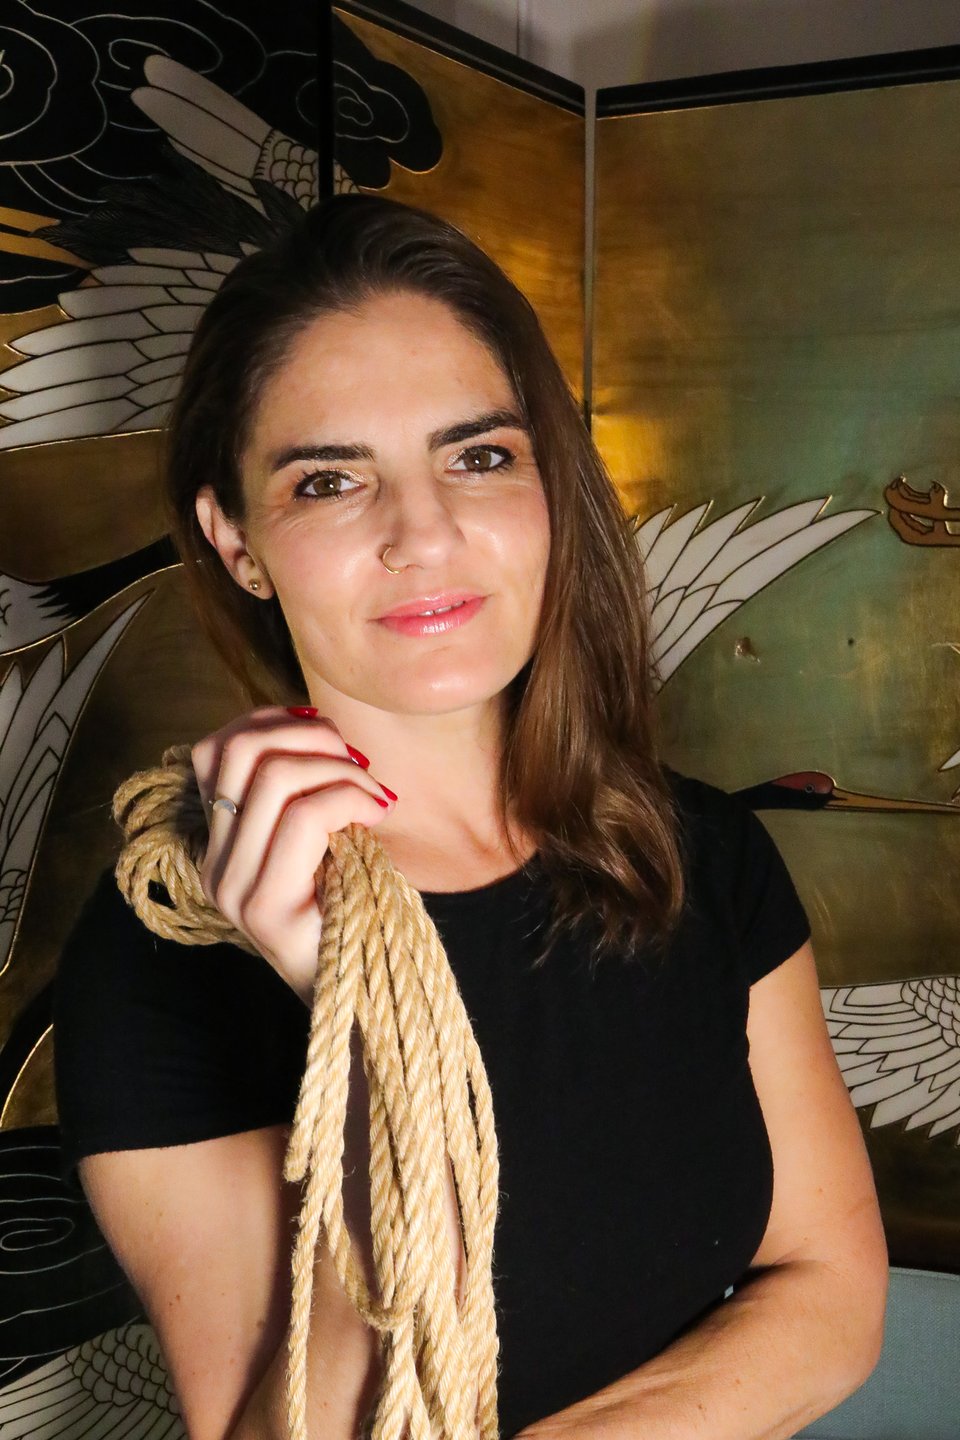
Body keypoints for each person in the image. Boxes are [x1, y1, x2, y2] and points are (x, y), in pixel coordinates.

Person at [54, 194, 887, 1440]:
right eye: (331, 480)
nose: (423, 532)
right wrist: (350, 1007)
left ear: (551, 487)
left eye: (479, 456)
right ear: (236, 541)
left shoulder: (703, 857)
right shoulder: (166, 956)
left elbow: (832, 1294)